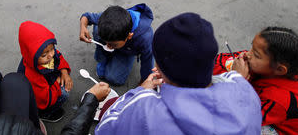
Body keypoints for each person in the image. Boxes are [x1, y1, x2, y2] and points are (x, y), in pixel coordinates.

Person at [96, 12, 262, 134]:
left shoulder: (146, 110)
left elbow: (104, 128)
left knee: (109, 107)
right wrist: (238, 78)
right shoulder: (246, 91)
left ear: (159, 68)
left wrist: (140, 91)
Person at [213, 27, 298, 135]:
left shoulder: (278, 99)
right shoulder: (266, 64)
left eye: (256, 55)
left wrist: (236, 80)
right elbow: (214, 63)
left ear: (280, 69)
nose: (247, 54)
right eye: (252, 48)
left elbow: (239, 117)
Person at [79, 4, 154, 85]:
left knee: (114, 79)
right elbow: (86, 16)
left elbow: (148, 61)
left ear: (129, 36)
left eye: (113, 44)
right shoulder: (106, 19)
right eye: (106, 42)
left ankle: (126, 57)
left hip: (128, 50)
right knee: (98, 29)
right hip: (121, 44)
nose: (107, 46)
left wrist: (144, 82)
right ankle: (104, 57)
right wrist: (83, 27)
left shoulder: (145, 38)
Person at [18, 21, 72, 122]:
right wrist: (57, 83)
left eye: (52, 49)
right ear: (31, 55)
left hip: (48, 81)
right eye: (44, 55)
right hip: (40, 98)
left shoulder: (45, 52)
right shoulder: (32, 75)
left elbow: (58, 57)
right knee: (64, 93)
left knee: (65, 76)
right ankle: (45, 114)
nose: (50, 55)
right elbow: (45, 99)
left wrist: (64, 72)